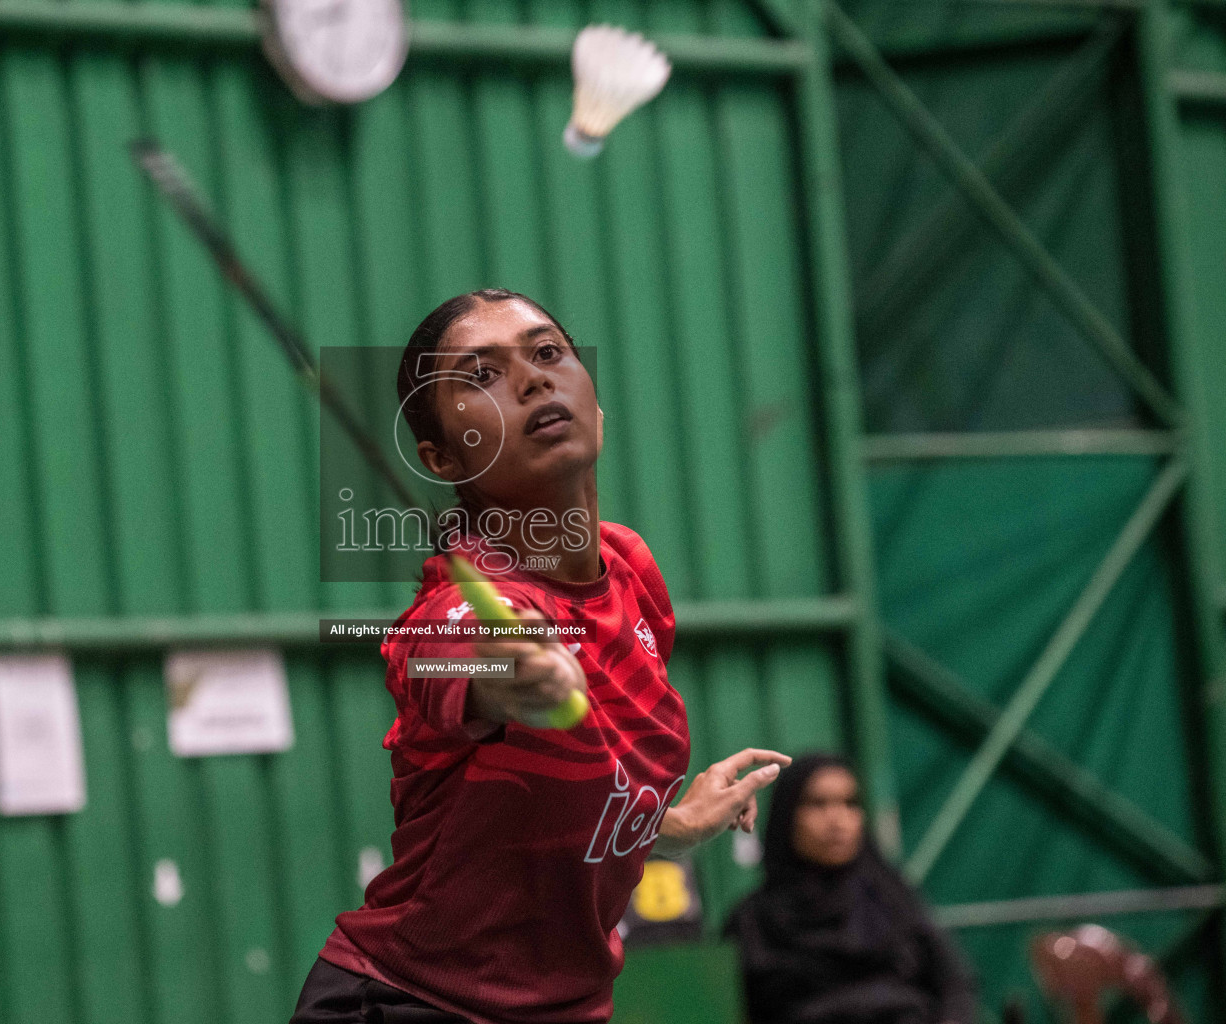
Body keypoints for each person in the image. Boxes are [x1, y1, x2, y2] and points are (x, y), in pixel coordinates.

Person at [290, 288, 791, 1024]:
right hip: (413, 1005)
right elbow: (446, 662)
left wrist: (675, 826)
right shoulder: (454, 614)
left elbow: (566, 801)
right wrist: (515, 676)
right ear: (437, 455)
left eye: (549, 353)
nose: (532, 379)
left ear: (596, 404)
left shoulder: (629, 569)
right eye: (481, 375)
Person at [723, 753, 978, 1024]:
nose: (838, 820)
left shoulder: (894, 899)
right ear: (786, 814)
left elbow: (955, 982)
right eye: (817, 804)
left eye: (850, 803)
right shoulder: (754, 922)